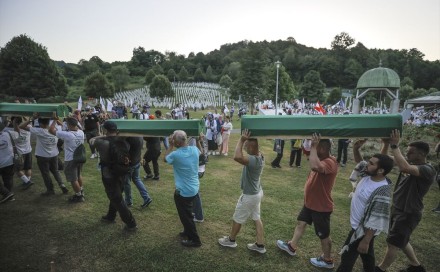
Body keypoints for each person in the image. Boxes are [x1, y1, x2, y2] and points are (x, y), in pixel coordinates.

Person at [376, 130, 436, 272]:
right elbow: (383, 159)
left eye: (411, 152)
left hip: (408, 212)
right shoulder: (409, 163)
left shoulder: (428, 169)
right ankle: (416, 267)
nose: (407, 154)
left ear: (421, 154)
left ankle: (380, 269)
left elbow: (405, 167)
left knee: (393, 243)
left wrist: (395, 146)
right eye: (407, 152)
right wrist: (385, 144)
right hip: (398, 208)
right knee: (401, 240)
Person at [276, 134, 338, 269]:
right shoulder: (321, 158)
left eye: (315, 146)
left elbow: (315, 166)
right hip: (310, 204)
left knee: (323, 235)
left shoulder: (330, 162)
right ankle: (292, 246)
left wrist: (314, 146)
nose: (312, 148)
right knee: (301, 223)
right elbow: (309, 157)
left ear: (322, 148)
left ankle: (327, 260)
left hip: (321, 207)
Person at [336, 139, 394, 272]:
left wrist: (366, 240)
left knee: (347, 258)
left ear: (380, 170)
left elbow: (376, 219)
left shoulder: (382, 191)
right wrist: (356, 149)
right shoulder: (368, 174)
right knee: (367, 255)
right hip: (359, 227)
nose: (367, 164)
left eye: (371, 163)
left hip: (362, 230)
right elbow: (360, 163)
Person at [218, 129, 266, 253]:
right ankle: (260, 245)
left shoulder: (254, 160)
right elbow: (246, 152)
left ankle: (231, 240)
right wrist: (247, 139)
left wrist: (241, 139)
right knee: (256, 217)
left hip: (250, 195)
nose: (244, 147)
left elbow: (236, 157)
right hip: (257, 193)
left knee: (238, 218)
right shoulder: (260, 155)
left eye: (246, 145)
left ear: (251, 147)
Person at [90, 121, 137, 231]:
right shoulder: (124, 142)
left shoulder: (100, 142)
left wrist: (102, 135)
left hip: (109, 173)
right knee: (116, 195)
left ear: (105, 130)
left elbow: (91, 141)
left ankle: (131, 224)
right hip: (122, 171)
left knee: (117, 198)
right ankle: (111, 216)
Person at [164, 130, 202, 247]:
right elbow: (200, 152)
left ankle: (195, 240)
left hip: (184, 192)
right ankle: (187, 231)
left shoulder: (176, 154)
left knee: (186, 216)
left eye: (173, 139)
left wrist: (170, 146)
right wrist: (199, 141)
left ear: (177, 143)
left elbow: (164, 159)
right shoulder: (194, 150)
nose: (172, 140)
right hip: (194, 188)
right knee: (187, 213)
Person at [20, 117, 69, 196]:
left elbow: (21, 126)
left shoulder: (40, 131)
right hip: (54, 154)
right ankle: (62, 184)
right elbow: (63, 125)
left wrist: (31, 119)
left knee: (45, 173)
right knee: (55, 171)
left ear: (40, 124)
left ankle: (50, 190)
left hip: (42, 156)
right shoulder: (56, 129)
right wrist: (55, 119)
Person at [49, 117, 86, 203]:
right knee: (78, 174)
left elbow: (51, 130)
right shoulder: (81, 132)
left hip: (70, 159)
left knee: (73, 179)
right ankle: (81, 190)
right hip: (79, 157)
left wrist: (54, 120)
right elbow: (72, 128)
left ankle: (79, 196)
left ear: (69, 125)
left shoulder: (68, 135)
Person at [122, 136, 153, 208]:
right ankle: (146, 197)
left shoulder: (128, 138)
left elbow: (125, 150)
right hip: (136, 161)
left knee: (127, 183)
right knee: (137, 179)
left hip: (130, 164)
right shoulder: (139, 136)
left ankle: (128, 202)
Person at [12, 117, 34, 189]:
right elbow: (28, 120)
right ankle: (27, 181)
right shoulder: (29, 127)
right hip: (28, 151)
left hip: (19, 153)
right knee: (28, 168)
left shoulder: (13, 132)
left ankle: (27, 182)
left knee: (18, 169)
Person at [0, 119, 15, 203]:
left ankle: (6, 193)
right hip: (9, 161)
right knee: (8, 179)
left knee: (7, 179)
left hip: (2, 162)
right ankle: (10, 195)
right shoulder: (8, 133)